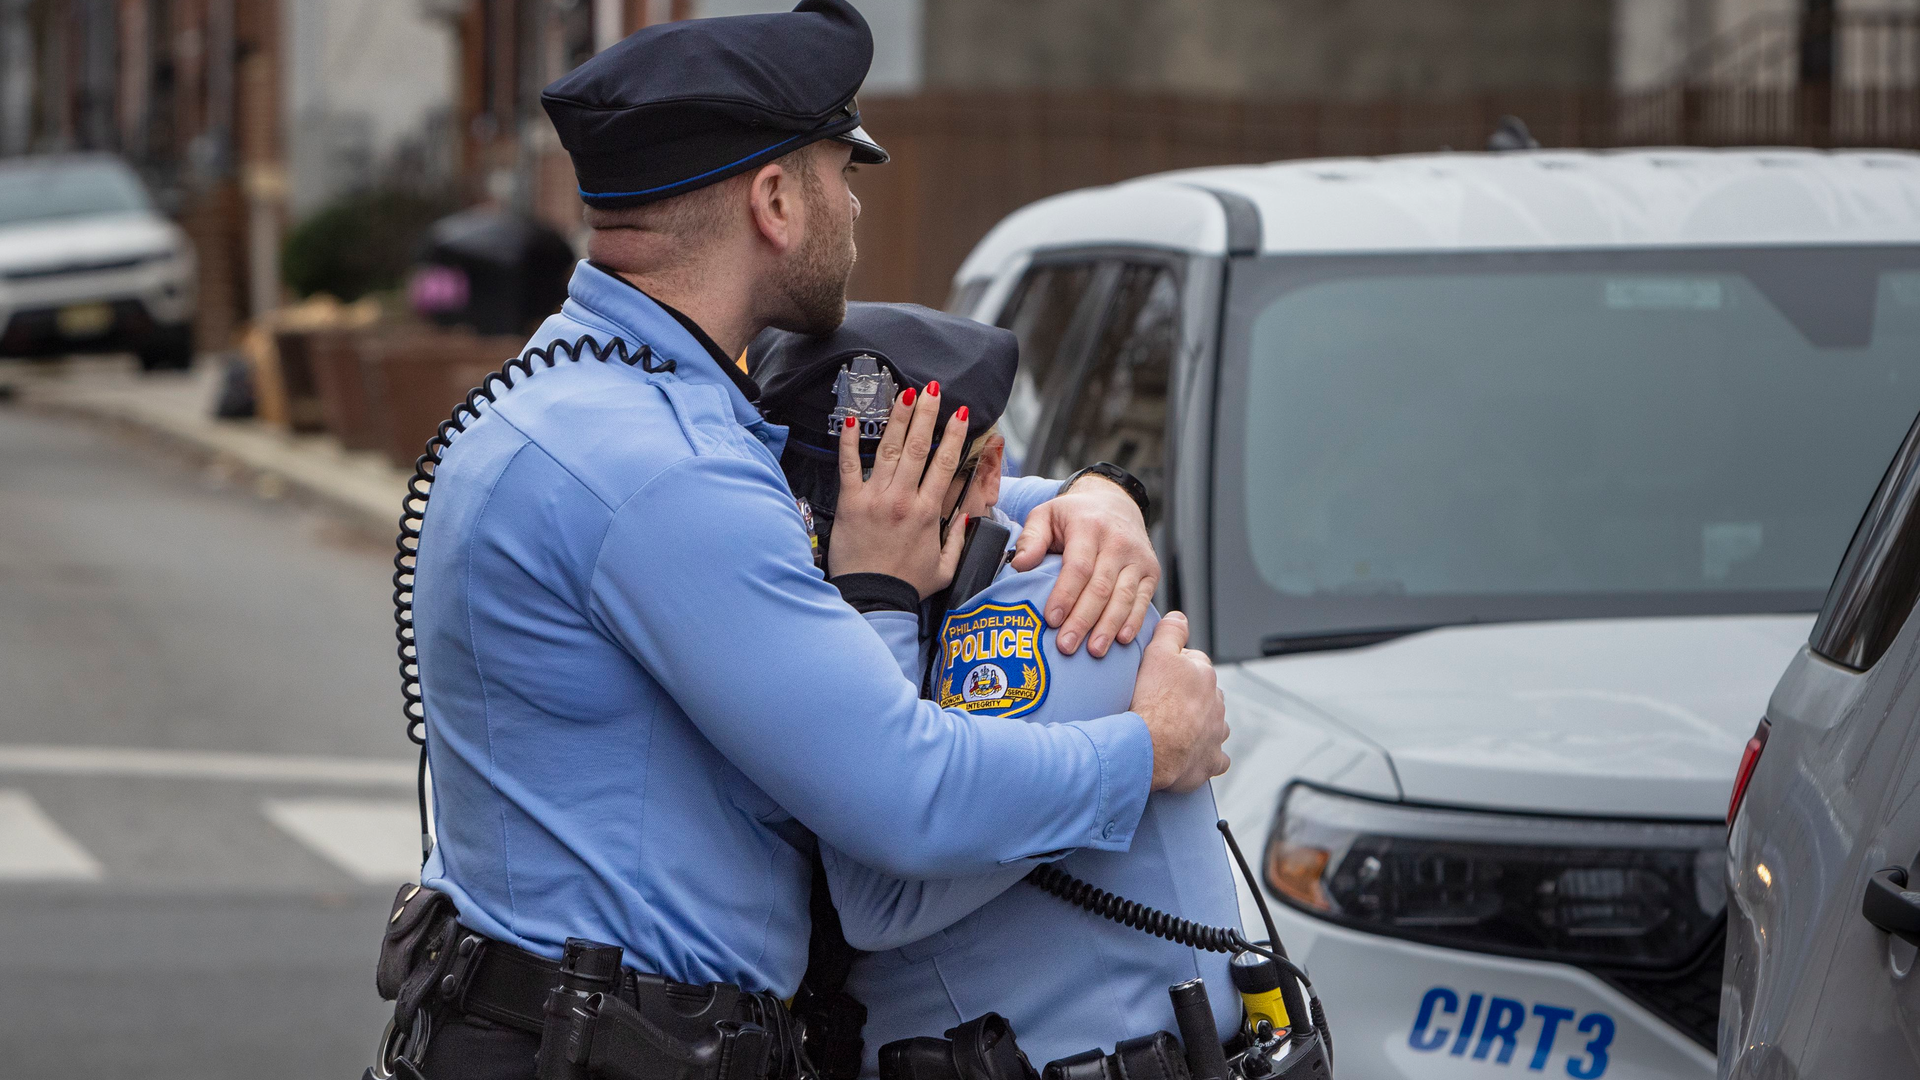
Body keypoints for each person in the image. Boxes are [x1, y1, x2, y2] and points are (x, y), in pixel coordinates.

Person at [381, 4, 1230, 1080]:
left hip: (548, 1026)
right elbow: (901, 802)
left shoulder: (582, 402)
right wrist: (1150, 748)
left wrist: (1097, 492)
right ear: (777, 201)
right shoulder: (663, 469)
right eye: (842, 173)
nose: (856, 208)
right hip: (610, 1050)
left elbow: (797, 512)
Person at [753, 304, 1245, 1076]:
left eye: (899, 501)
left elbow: (884, 886)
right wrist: (1095, 487)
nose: (838, 534)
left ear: (983, 474)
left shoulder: (1058, 603)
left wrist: (876, 592)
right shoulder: (833, 584)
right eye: (814, 494)